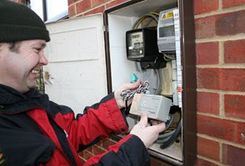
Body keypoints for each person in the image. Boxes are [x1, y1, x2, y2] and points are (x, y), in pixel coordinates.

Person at [0, 0, 166, 166]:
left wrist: (116, 103)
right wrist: (135, 146)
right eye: (37, 49)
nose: (45, 60)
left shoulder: (27, 101)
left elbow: (69, 133)